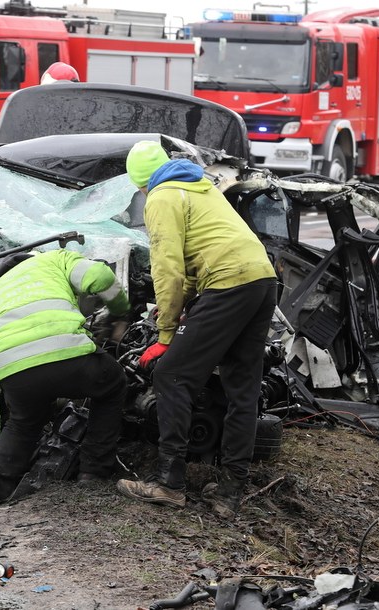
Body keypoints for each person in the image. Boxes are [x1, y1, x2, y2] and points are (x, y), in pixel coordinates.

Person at [115, 140, 278, 517]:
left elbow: (168, 269)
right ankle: (230, 492)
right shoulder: (201, 186)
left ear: (139, 183)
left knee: (172, 375)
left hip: (228, 283)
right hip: (262, 281)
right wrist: (184, 302)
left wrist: (165, 336)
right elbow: (197, 258)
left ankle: (169, 484)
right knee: (242, 389)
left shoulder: (160, 197)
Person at [0, 249, 130, 509]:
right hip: (69, 354)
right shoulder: (53, 259)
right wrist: (120, 311)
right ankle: (93, 472)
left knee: (23, 422)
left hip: (16, 371)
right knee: (113, 383)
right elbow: (100, 275)